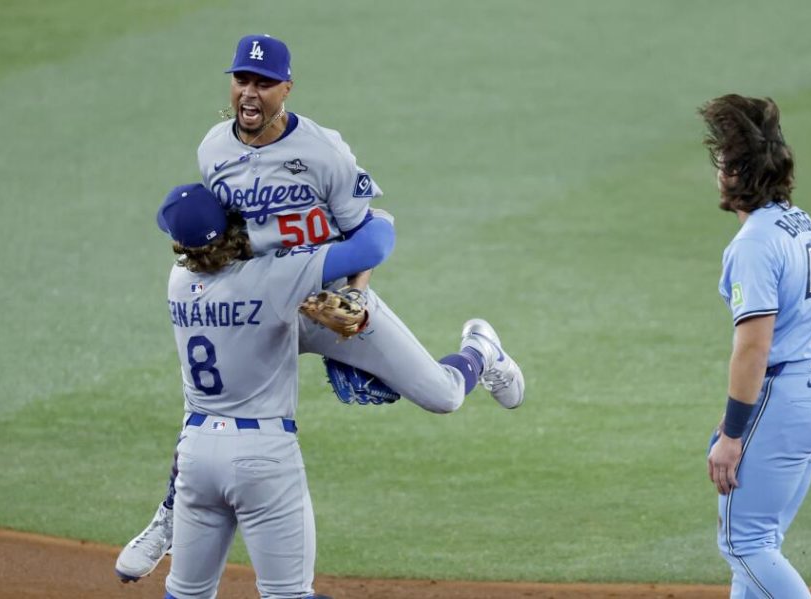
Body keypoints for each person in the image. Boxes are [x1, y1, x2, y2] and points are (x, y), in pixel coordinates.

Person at [115, 34, 528, 582]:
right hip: (256, 303)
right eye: (242, 80)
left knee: (442, 396)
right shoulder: (213, 150)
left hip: (325, 300)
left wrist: (354, 295)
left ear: (287, 88)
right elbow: (219, 235)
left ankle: (480, 352)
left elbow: (369, 231)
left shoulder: (322, 152)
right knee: (209, 401)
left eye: (264, 83)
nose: (250, 92)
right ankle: (171, 514)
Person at [156, 182, 404, 598]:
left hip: (196, 453)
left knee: (185, 594)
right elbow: (373, 247)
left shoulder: (178, 281)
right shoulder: (276, 276)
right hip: (262, 455)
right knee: (288, 594)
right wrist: (368, 215)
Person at [702, 95, 811, 597]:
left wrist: (734, 433)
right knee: (759, 544)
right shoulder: (803, 224)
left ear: (737, 175)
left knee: (744, 544)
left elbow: (753, 348)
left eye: (724, 162)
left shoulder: (754, 243)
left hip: (788, 399)